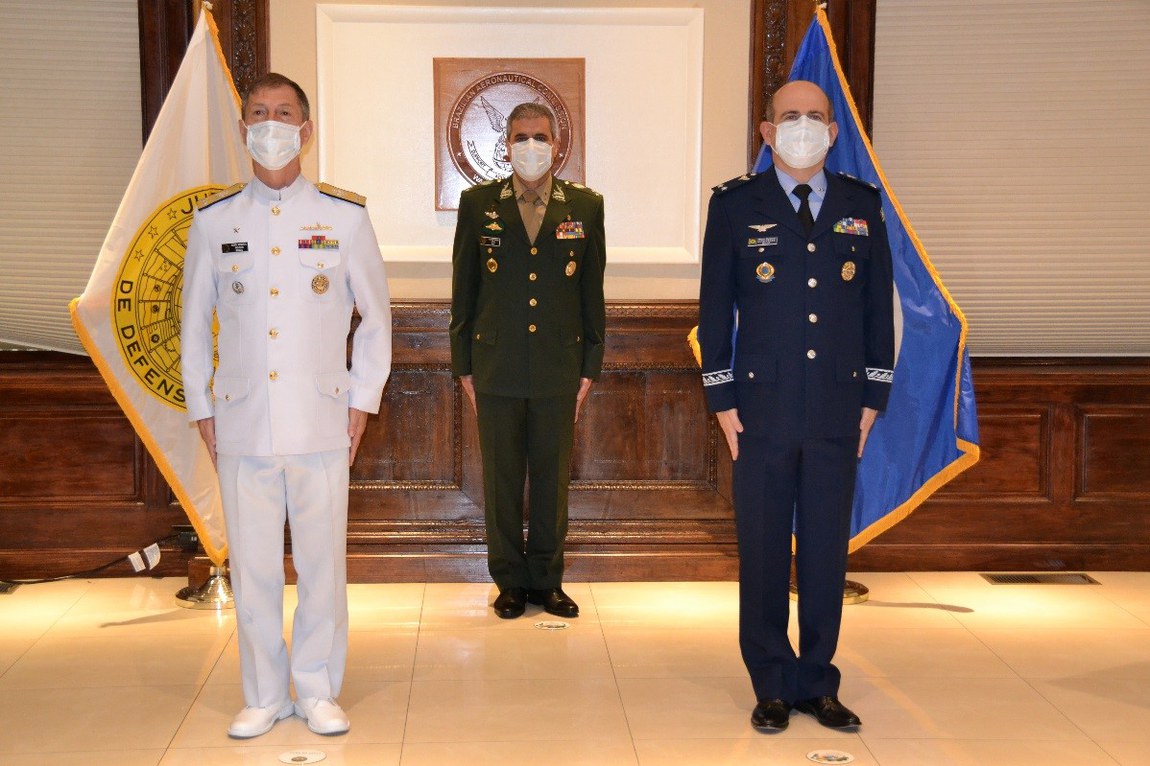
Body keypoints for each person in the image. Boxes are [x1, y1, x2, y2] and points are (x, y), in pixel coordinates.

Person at [182, 72, 392, 739]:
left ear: (306, 129)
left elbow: (377, 319)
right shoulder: (214, 223)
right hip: (241, 422)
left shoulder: (344, 218)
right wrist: (202, 409)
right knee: (253, 569)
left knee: (322, 566)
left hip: (322, 420)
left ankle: (318, 688)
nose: (270, 124)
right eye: (258, 113)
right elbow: (193, 325)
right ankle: (264, 694)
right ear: (244, 127)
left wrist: (362, 401)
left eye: (283, 113)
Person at [697, 80, 894, 732]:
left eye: (815, 117)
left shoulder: (861, 203)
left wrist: (873, 395)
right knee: (761, 548)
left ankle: (817, 681)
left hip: (838, 405)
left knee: (825, 552)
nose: (803, 125)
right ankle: (771, 682)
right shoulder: (735, 204)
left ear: (833, 133)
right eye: (790, 116)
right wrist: (722, 397)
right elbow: (715, 308)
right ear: (767, 130)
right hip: (761, 407)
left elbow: (877, 308)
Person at [450, 102, 606, 620]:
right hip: (495, 365)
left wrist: (589, 367)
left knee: (551, 480)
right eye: (521, 137)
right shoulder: (478, 204)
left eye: (540, 136)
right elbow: (464, 290)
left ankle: (546, 580)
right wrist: (463, 366)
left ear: (556, 145)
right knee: (501, 480)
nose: (531, 146)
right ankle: (510, 581)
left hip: (559, 367)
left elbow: (591, 293)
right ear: (507, 145)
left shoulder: (585, 206)